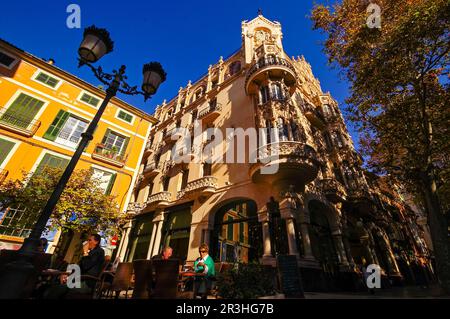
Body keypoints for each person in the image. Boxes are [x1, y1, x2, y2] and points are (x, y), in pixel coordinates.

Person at [43, 234, 105, 299]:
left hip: (87, 283)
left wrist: (85, 253)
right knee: (52, 285)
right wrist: (67, 275)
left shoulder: (99, 251)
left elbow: (86, 266)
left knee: (59, 288)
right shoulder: (91, 252)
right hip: (80, 280)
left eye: (89, 240)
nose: (87, 242)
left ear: (96, 242)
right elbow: (80, 267)